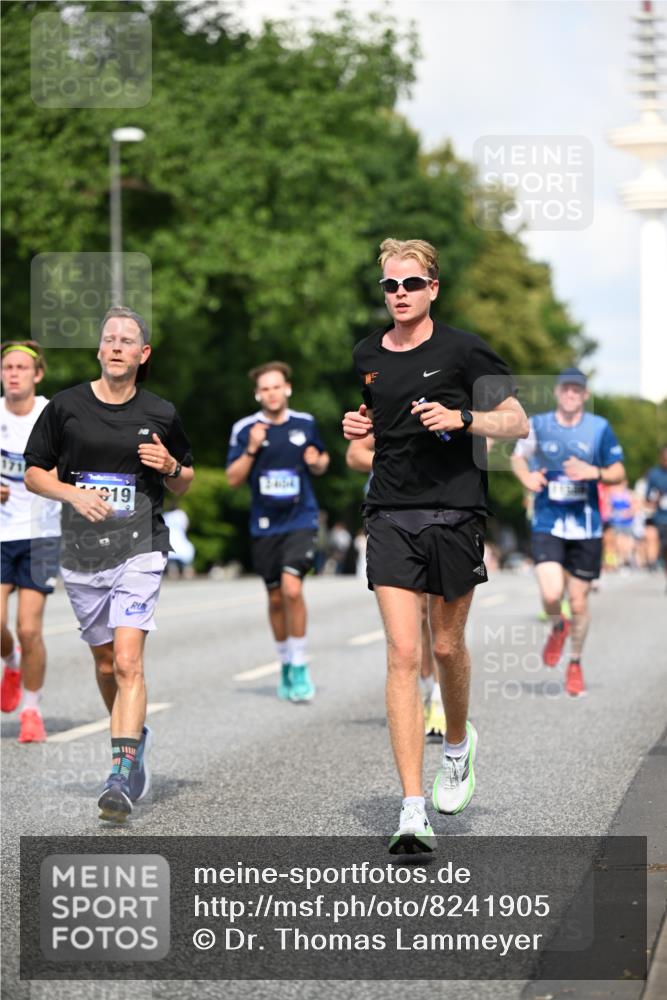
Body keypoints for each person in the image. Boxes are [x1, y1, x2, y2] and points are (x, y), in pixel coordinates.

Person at [343, 238, 528, 854]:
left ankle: (457, 747)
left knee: (445, 645)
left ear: (433, 289)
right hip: (390, 513)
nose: (400, 294)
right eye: (391, 286)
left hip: (455, 513)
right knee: (402, 651)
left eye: (411, 284)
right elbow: (375, 420)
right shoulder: (367, 354)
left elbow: (517, 420)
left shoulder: (462, 349)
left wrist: (464, 420)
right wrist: (358, 425)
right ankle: (412, 809)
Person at [24, 306, 194, 822]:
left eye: (128, 341)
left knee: (126, 661)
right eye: (109, 339)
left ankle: (120, 771)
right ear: (99, 349)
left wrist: (170, 467)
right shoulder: (66, 407)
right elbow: (34, 474)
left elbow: (185, 476)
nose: (117, 346)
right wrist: (73, 495)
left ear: (143, 355)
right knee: (103, 664)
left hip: (139, 548)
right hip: (81, 554)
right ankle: (133, 736)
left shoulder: (161, 413)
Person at [511, 368, 625, 696]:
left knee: (578, 602)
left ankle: (574, 662)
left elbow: (618, 471)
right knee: (550, 595)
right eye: (566, 389)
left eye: (578, 390)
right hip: (548, 521)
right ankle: (558, 628)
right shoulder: (539, 425)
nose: (571, 394)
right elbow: (518, 458)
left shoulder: (599, 428)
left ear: (585, 395)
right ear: (558, 392)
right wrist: (526, 478)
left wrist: (595, 471)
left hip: (587, 526)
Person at [226, 362, 329, 703]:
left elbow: (323, 462)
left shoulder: (305, 423)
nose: (271, 393)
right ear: (258, 394)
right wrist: (252, 448)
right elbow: (233, 479)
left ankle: (300, 664)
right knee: (274, 597)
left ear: (288, 388)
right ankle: (284, 661)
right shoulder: (244, 428)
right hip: (266, 524)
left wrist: (316, 461)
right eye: (264, 388)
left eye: (276, 386)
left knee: (293, 588)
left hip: (301, 518)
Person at [346, 432, 446, 740]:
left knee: (437, 615)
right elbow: (354, 455)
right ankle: (431, 692)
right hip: (392, 512)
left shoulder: (444, 396)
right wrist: (393, 460)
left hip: (442, 510)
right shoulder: (387, 395)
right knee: (416, 614)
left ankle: (440, 696)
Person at [1, 341, 61, 742]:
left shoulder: (51, 414)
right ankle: (10, 663)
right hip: (1, 533)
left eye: (22, 367)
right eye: (7, 367)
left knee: (29, 628)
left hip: (41, 534)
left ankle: (32, 710)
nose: (13, 374)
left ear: (37, 374)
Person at [645, 445, 667, 588]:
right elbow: (648, 495)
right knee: (664, 548)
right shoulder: (654, 474)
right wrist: (655, 497)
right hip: (660, 517)